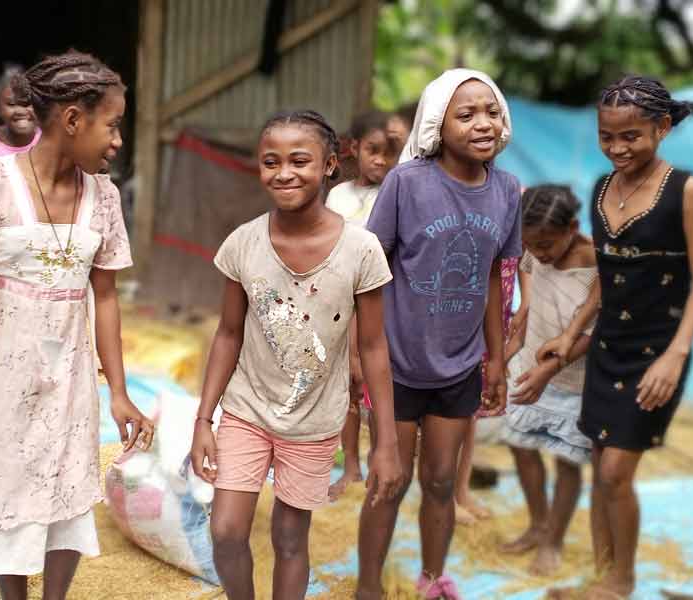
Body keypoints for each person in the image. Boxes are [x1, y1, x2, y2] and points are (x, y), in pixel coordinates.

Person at [0, 51, 154, 600]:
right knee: (8, 484)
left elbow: (105, 295)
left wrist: (119, 391)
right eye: (112, 125)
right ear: (72, 120)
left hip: (68, 375)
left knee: (68, 485)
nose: (118, 141)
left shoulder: (104, 197)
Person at [189, 109, 402, 600]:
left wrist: (385, 442)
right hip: (246, 409)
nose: (284, 173)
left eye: (299, 161)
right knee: (226, 531)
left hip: (315, 420)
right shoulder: (244, 243)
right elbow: (228, 333)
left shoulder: (361, 250)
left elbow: (373, 347)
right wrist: (204, 419)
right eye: (271, 162)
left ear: (330, 165)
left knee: (289, 537)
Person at [357, 69, 522, 600]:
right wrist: (359, 353)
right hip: (399, 365)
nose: (483, 123)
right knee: (389, 481)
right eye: (466, 114)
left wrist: (496, 359)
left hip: (459, 365)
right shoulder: (407, 183)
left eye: (491, 112)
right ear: (436, 124)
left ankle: (432, 580)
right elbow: (369, 269)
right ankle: (368, 587)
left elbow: (495, 278)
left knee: (441, 481)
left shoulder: (507, 191)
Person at [545, 76, 693, 600]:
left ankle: (622, 581)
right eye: (606, 136)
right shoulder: (600, 187)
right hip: (607, 346)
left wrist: (675, 355)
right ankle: (602, 578)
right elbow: (606, 272)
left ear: (661, 128)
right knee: (601, 469)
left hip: (657, 351)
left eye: (631, 136)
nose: (617, 148)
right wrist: (572, 332)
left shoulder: (686, 190)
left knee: (617, 470)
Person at [497, 185, 596, 576]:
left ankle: (554, 541)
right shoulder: (534, 253)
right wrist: (504, 356)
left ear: (572, 228)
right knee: (521, 445)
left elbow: (593, 333)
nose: (538, 253)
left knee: (567, 460)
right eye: (529, 244)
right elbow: (529, 294)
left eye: (545, 244)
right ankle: (538, 524)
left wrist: (550, 369)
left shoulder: (596, 266)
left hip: (575, 382)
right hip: (530, 366)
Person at [325, 109, 394, 501]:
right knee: (347, 387)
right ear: (355, 149)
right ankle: (351, 467)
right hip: (342, 301)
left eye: (389, 153)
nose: (380, 160)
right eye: (373, 150)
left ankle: (380, 463)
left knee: (378, 387)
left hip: (383, 302)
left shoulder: (395, 195)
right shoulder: (338, 195)